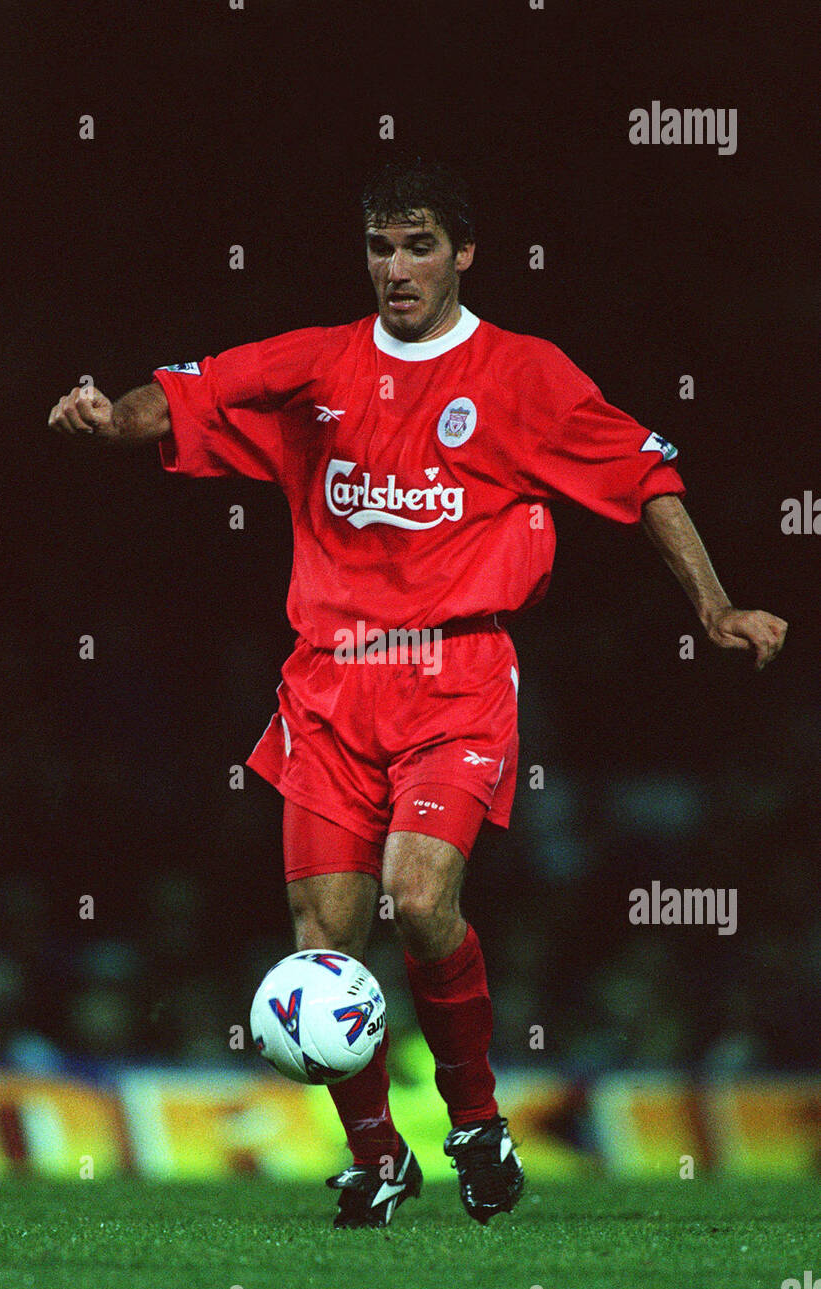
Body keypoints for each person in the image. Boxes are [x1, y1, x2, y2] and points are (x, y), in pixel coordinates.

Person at [48, 158, 787, 1228]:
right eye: (379, 247)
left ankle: (475, 1121)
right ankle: (376, 1152)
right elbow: (178, 399)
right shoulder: (319, 367)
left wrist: (714, 610)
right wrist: (100, 417)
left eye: (419, 245)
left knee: (420, 896)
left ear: (464, 252)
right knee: (323, 946)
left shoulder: (522, 376)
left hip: (455, 679)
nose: (395, 269)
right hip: (327, 689)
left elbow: (644, 476)